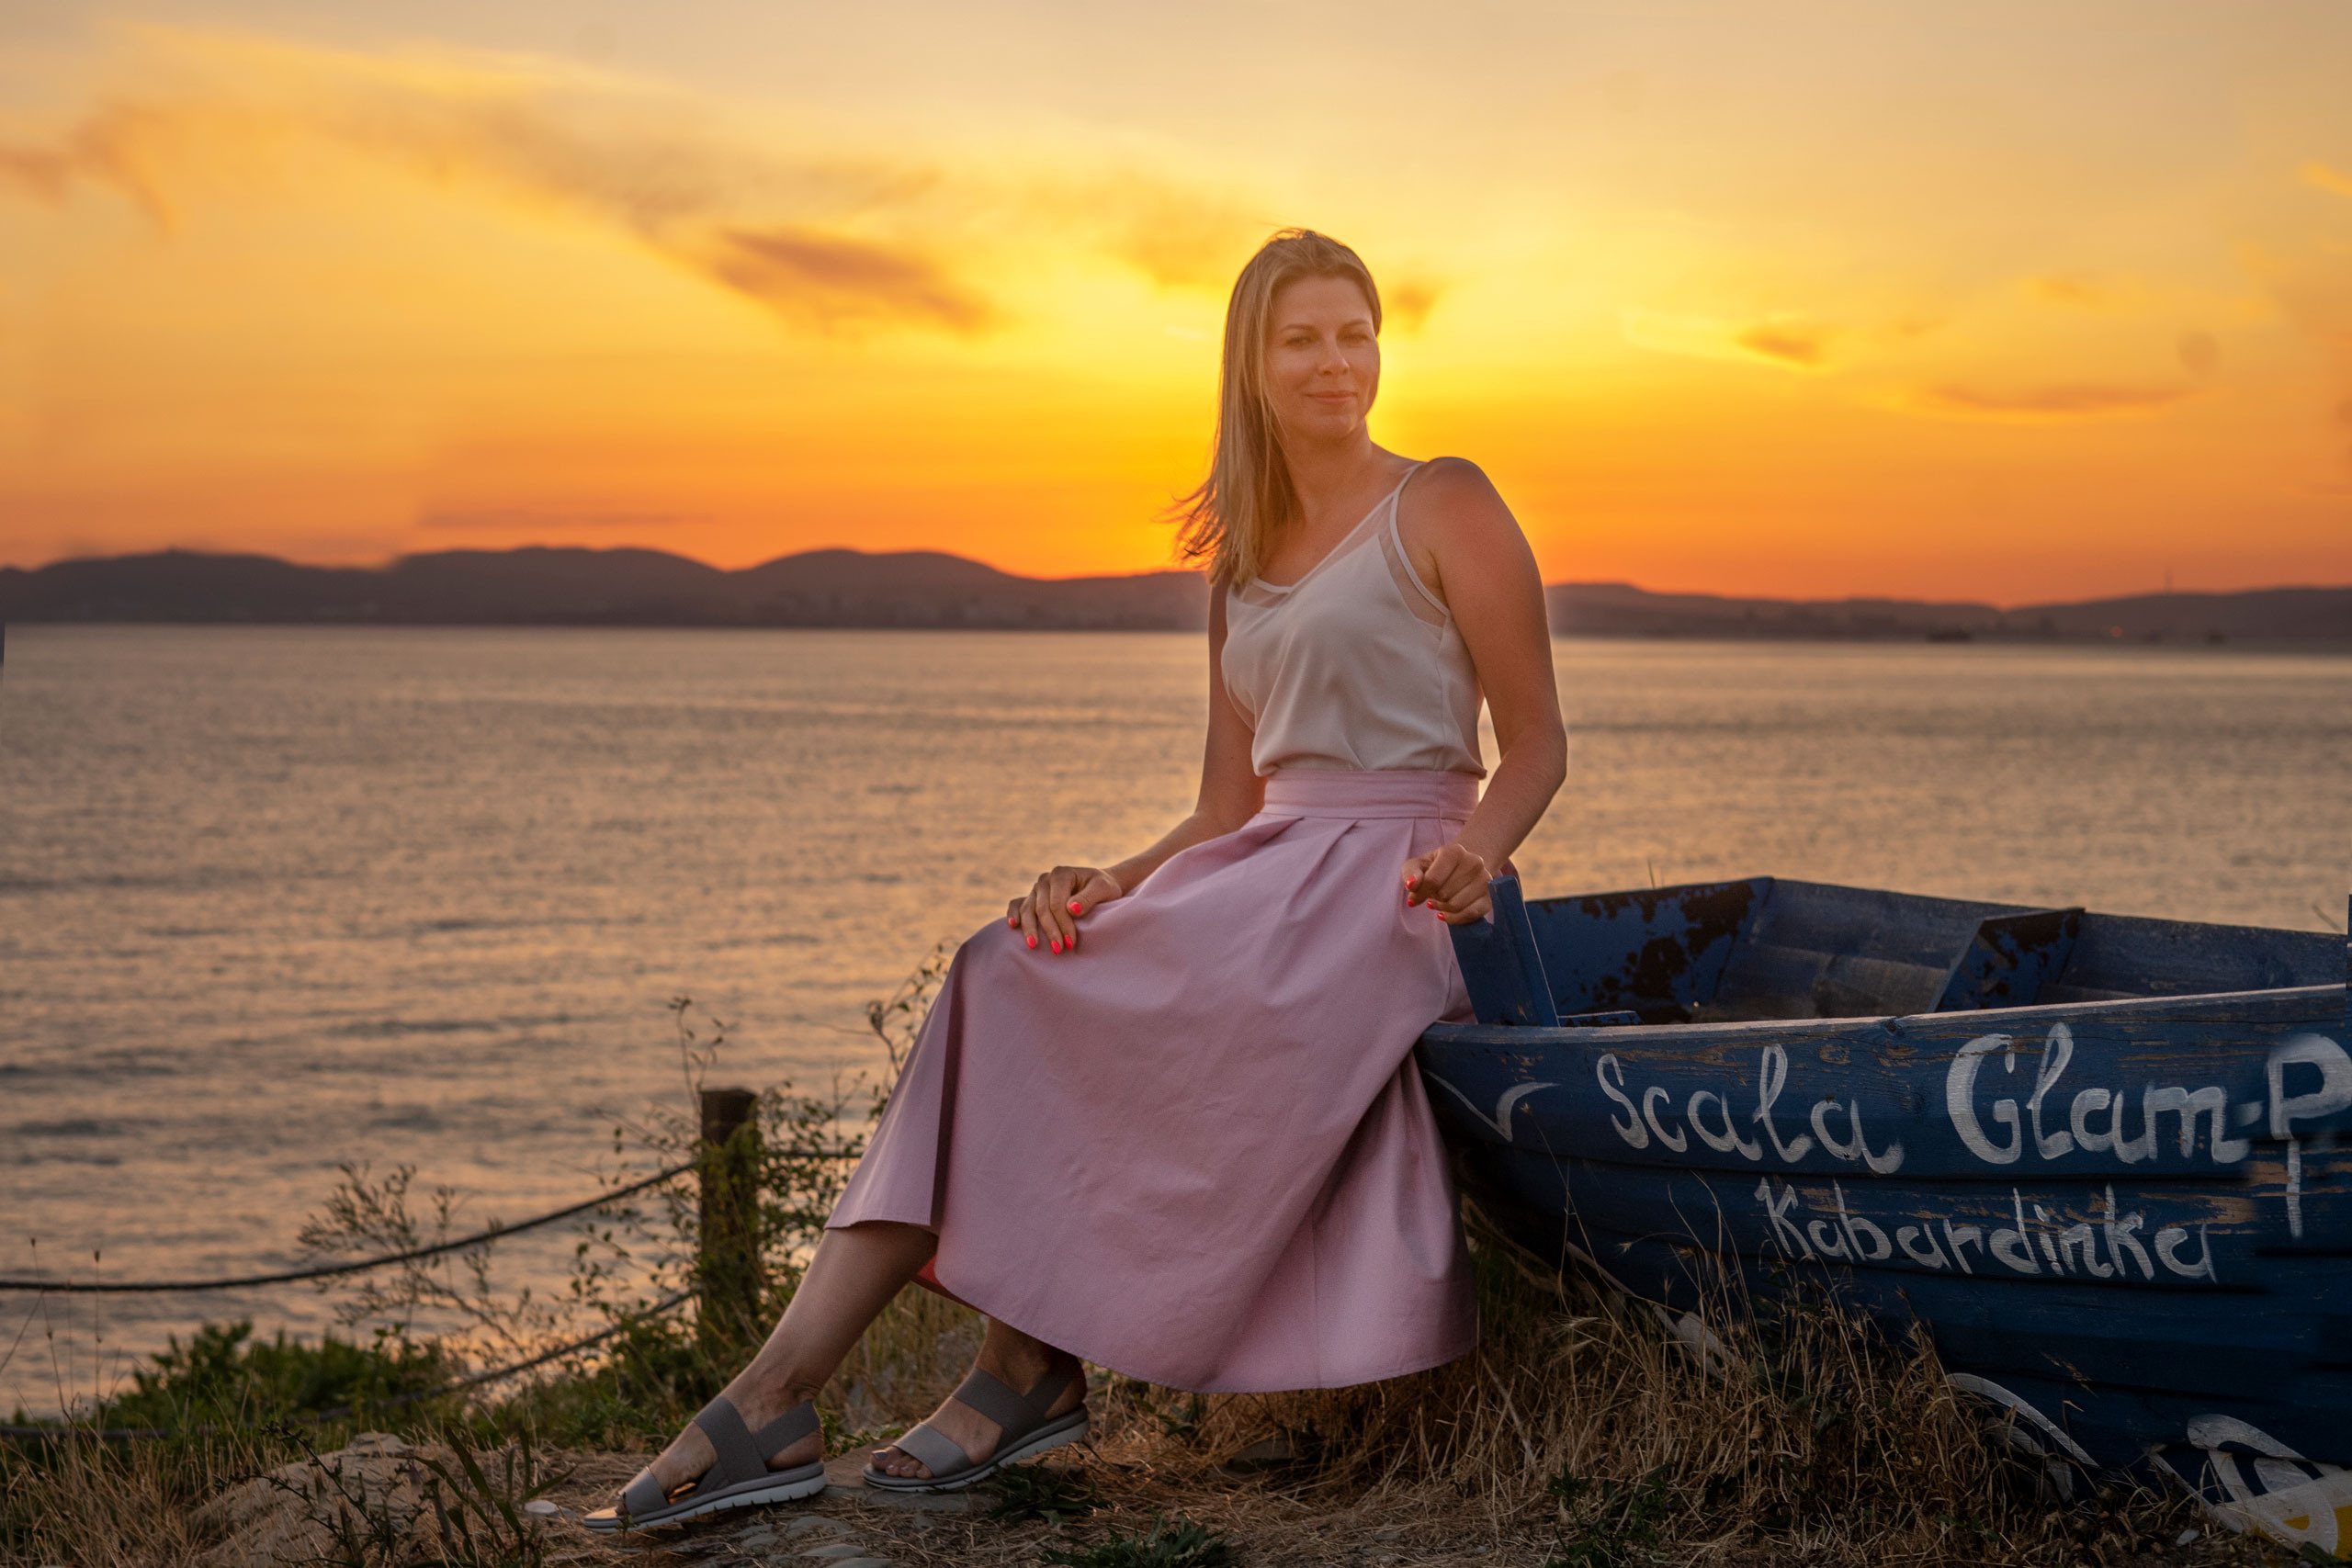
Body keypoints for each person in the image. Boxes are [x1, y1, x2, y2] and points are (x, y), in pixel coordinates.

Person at [587, 227, 1566, 1531]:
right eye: (1304, 339)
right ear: (1253, 367)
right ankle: (809, 1387)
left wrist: (1476, 855)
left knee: (1102, 1011)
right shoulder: (1243, 557)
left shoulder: (1444, 500)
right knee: (1012, 964)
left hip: (1391, 895)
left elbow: (1537, 746)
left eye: (1357, 332)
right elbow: (1229, 806)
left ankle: (1003, 1373)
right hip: (1264, 872)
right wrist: (1112, 878)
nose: (1339, 362)